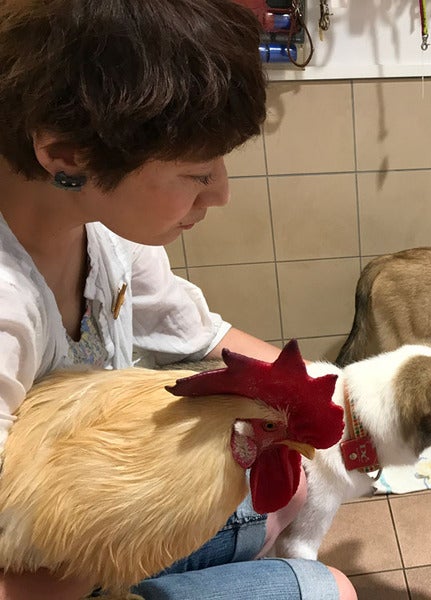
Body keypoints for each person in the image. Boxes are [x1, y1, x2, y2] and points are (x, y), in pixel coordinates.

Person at [0, 1, 356, 599]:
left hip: (88, 513)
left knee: (293, 487)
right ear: (67, 154)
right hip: (39, 571)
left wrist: (340, 399)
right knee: (328, 590)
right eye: (197, 173)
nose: (221, 193)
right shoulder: (8, 309)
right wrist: (112, 551)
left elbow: (203, 338)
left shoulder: (103, 229)